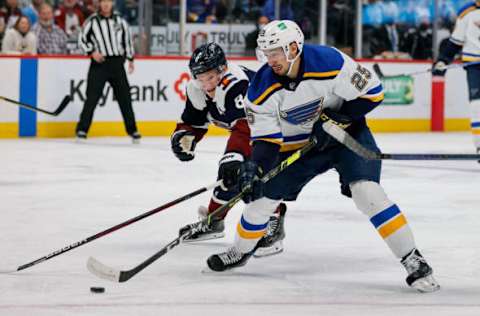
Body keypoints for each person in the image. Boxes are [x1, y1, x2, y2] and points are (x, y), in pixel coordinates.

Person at [206, 20, 440, 293]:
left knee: (368, 193)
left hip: (345, 136)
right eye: (266, 54)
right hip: (297, 148)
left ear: (294, 48)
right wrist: (254, 167)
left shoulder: (330, 61)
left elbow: (373, 94)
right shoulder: (259, 90)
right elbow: (267, 141)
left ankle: (413, 258)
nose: (270, 60)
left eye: (275, 53)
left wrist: (338, 119)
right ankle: (240, 251)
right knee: (261, 200)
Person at [172, 42, 286, 257]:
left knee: (260, 175)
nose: (206, 84)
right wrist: (184, 137)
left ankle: (274, 225)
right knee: (230, 176)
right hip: (258, 131)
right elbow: (193, 122)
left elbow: (247, 125)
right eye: (200, 77)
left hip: (281, 127)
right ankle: (214, 221)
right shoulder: (196, 89)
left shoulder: (236, 84)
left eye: (210, 77)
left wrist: (232, 157)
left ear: (222, 69)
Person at [77, 0, 141, 143]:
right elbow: (81, 39)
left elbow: (127, 41)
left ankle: (133, 130)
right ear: (99, 4)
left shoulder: (120, 21)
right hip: (99, 64)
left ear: (112, 3)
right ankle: (82, 130)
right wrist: (92, 52)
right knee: (92, 97)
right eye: (103, 1)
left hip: (117, 63)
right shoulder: (92, 21)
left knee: (125, 98)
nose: (106, 4)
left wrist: (130, 59)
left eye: (108, 1)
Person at [432, 1, 480, 156]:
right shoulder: (467, 12)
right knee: (477, 106)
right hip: (474, 66)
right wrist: (443, 60)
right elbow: (455, 42)